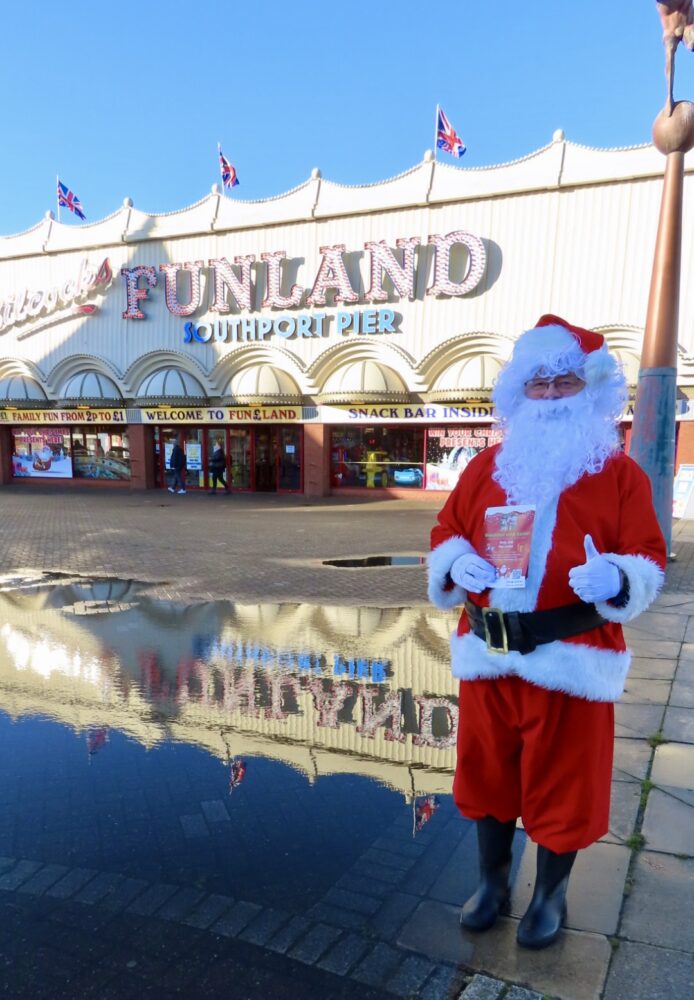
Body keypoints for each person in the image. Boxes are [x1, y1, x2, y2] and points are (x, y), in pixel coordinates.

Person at [428, 315, 667, 950]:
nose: (553, 395)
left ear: (590, 392)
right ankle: (493, 882)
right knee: (486, 777)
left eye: (565, 383)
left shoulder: (621, 477)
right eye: (540, 385)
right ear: (518, 394)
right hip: (487, 651)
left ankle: (551, 894)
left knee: (563, 781)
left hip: (572, 654)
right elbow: (447, 530)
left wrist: (615, 577)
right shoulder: (485, 468)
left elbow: (648, 556)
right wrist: (455, 562)